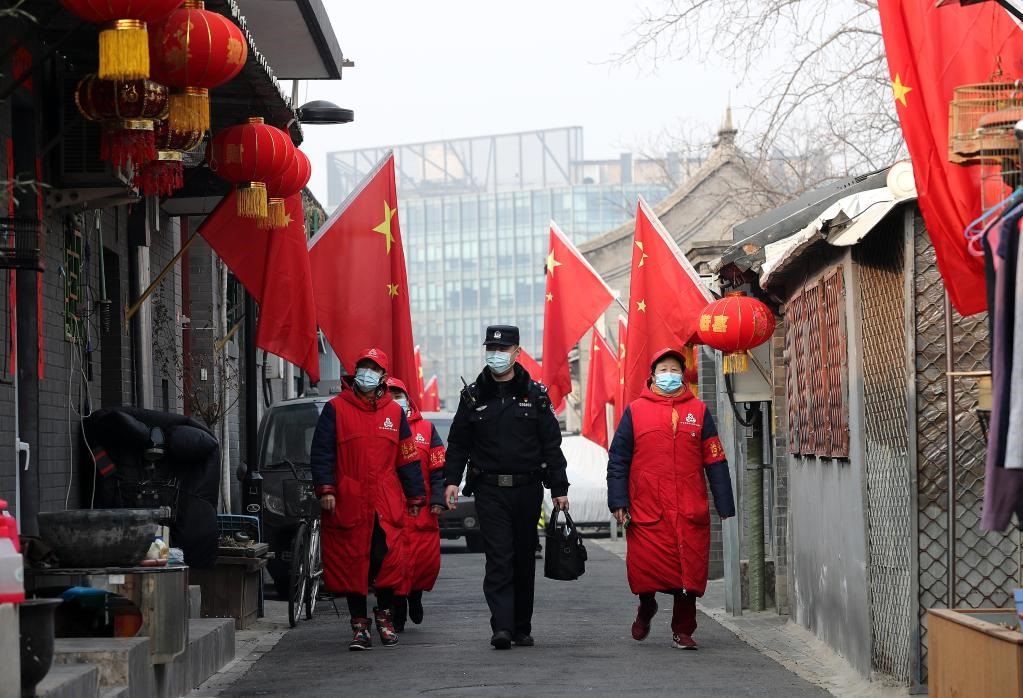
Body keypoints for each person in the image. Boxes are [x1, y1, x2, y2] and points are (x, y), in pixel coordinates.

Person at [444, 325, 570, 650]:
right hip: (489, 491)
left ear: (516, 352)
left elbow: (551, 445)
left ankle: (521, 626)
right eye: (491, 349)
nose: (496, 355)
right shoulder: (473, 396)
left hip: (528, 489)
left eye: (503, 349)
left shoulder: (536, 395)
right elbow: (458, 443)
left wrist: (559, 487)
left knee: (523, 558)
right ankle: (501, 626)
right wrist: (451, 481)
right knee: (499, 557)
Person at [607, 347, 735, 650]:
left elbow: (715, 458)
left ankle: (683, 630)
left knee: (688, 571)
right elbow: (618, 459)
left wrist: (724, 503)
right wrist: (618, 501)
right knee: (646, 568)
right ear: (652, 376)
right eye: (663, 370)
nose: (669, 375)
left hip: (689, 505)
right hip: (647, 506)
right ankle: (646, 605)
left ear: (683, 375)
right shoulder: (635, 411)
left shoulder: (698, 411)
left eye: (675, 370)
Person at [310, 348, 427, 651]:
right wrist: (327, 489)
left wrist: (415, 495)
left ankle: (384, 616)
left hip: (385, 499)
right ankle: (359, 625)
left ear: (383, 376)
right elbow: (322, 452)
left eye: (374, 369)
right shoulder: (336, 409)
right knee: (353, 562)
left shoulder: (394, 413)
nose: (367, 373)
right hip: (349, 497)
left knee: (386, 559)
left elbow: (407, 457)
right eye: (364, 367)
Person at [384, 377, 447, 632]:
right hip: (391, 507)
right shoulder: (381, 427)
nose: (394, 399)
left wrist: (438, 499)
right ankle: (398, 608)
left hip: (421, 508)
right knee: (394, 561)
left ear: (407, 398)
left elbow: (438, 468)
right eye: (388, 395)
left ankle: (416, 596)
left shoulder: (427, 430)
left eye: (397, 394)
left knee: (424, 562)